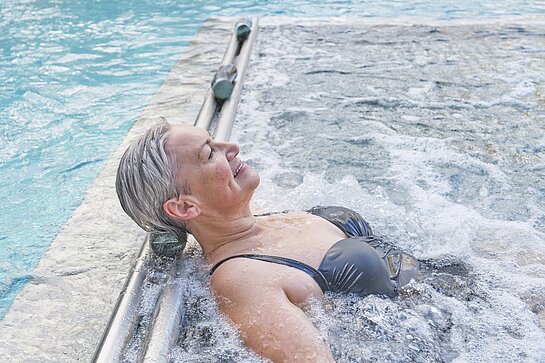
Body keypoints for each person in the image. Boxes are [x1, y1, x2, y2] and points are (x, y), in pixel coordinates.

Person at [115, 121, 418, 362]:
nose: (230, 147)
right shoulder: (240, 279)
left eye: (214, 139)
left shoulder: (254, 217)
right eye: (209, 154)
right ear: (185, 207)